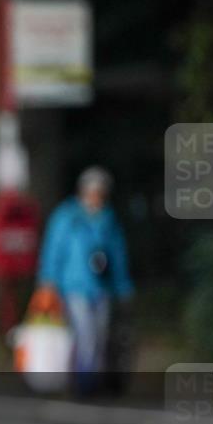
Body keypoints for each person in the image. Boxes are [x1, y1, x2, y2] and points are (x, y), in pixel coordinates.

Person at [36, 166, 135, 394]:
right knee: (84, 335)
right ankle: (83, 381)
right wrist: (48, 281)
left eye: (100, 192)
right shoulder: (67, 217)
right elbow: (53, 251)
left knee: (100, 335)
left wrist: (123, 288)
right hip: (74, 287)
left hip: (102, 288)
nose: (96, 196)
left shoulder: (108, 220)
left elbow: (118, 257)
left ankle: (95, 380)